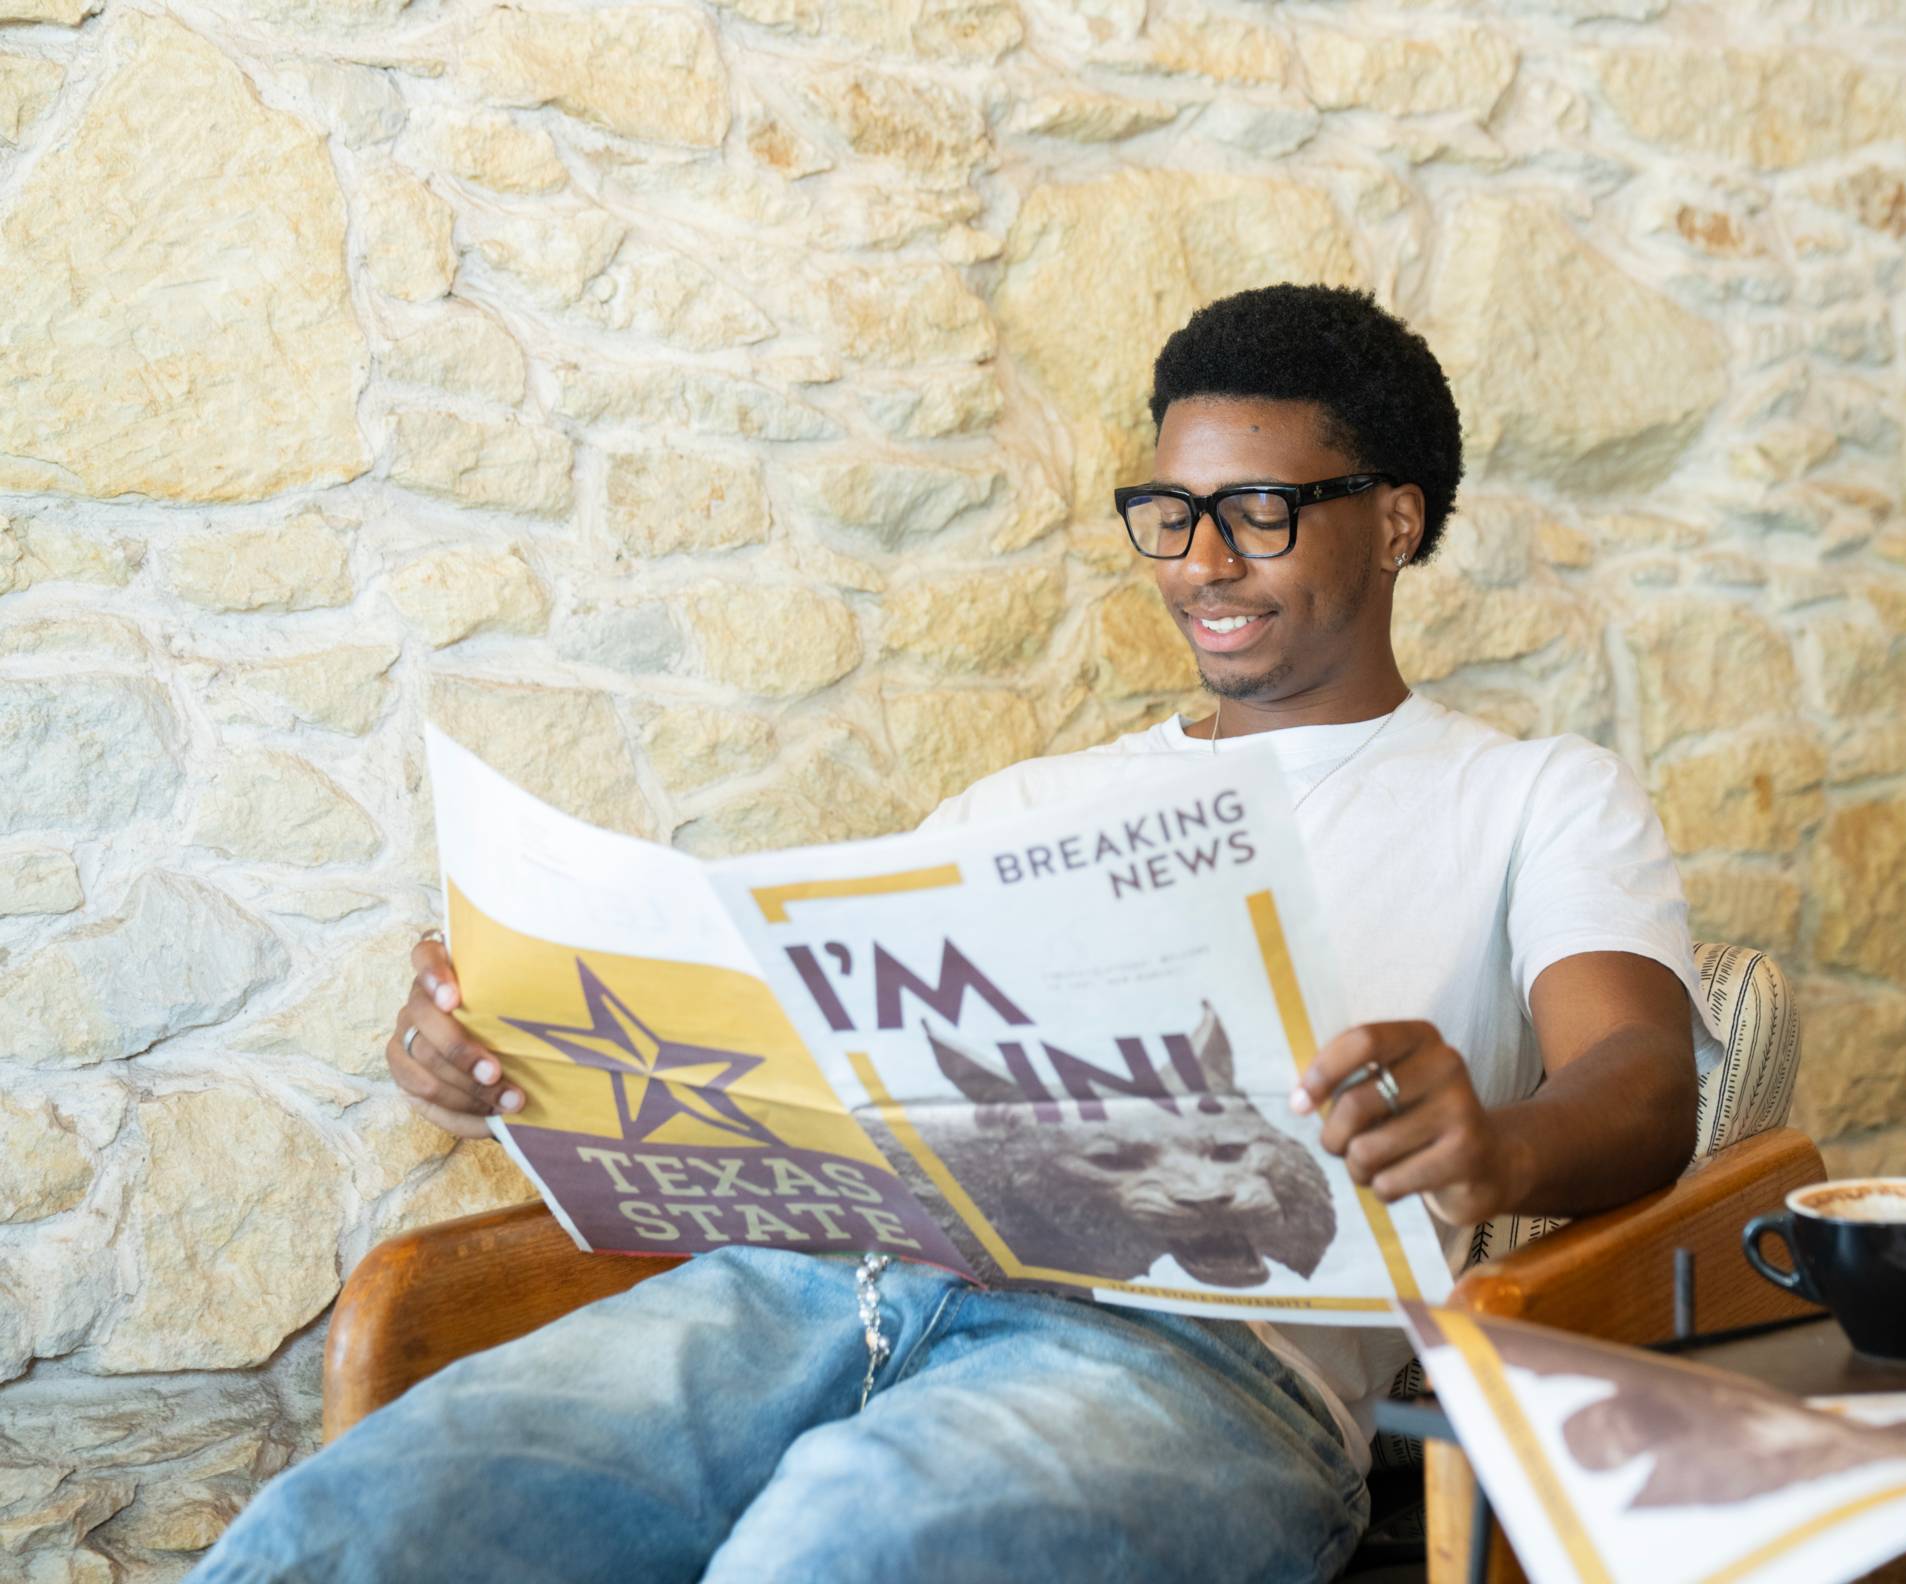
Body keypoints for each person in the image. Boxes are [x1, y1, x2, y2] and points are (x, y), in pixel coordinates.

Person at [189, 283, 1716, 1584]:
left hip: (1204, 1363)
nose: (1200, 561)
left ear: (1395, 522)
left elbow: (1643, 1077)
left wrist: (1498, 1149)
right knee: (365, 1518)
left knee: (838, 1545)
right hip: (803, 1289)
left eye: (1257, 511)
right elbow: (809, 1056)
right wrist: (506, 1046)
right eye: (1168, 514)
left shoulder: (1531, 797)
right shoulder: (1030, 799)